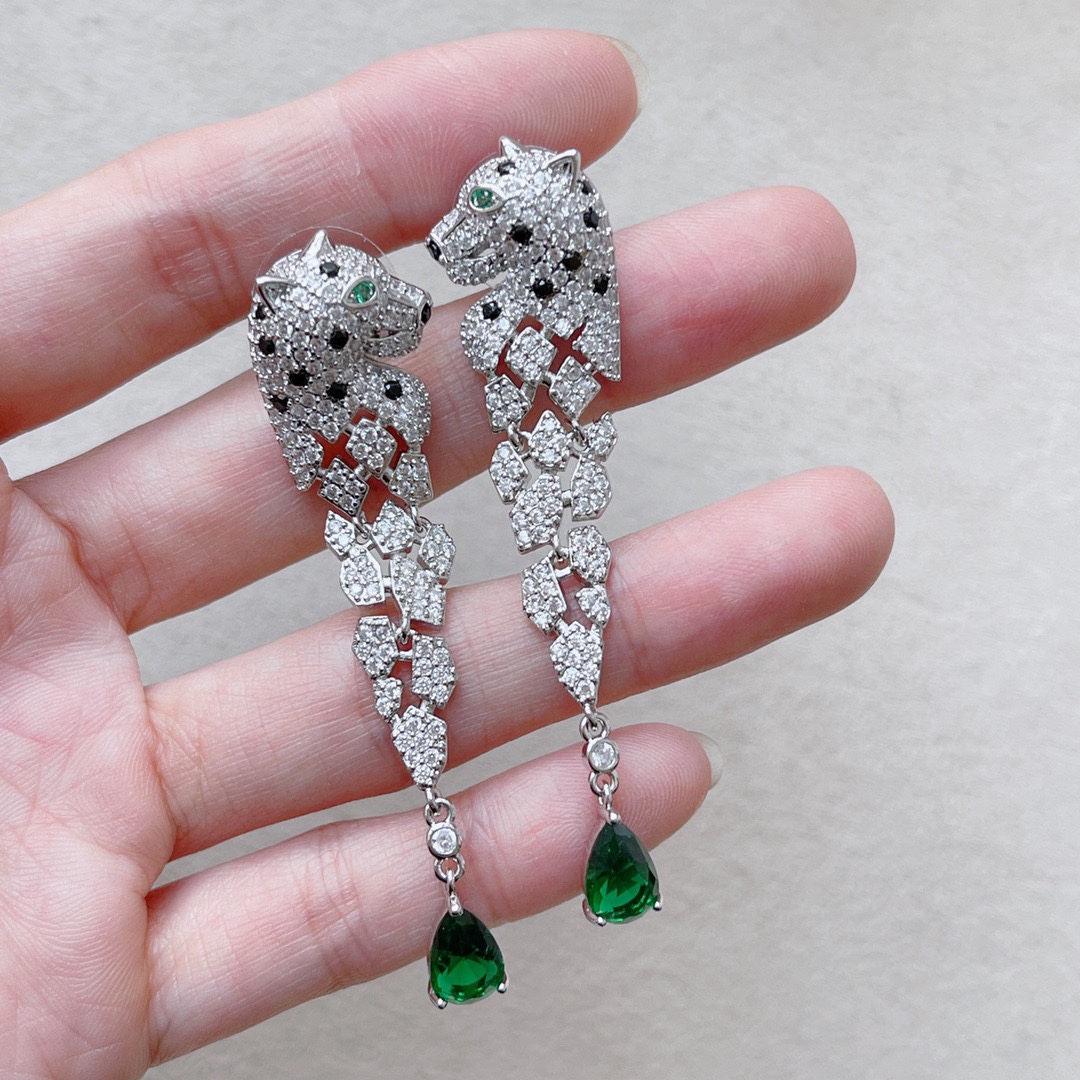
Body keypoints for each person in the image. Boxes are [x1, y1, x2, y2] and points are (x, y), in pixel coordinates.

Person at [0, 29, 893, 1079]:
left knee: (540, 598)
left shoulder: (467, 366)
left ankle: (543, 818)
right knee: (446, 635)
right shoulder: (390, 404)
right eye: (372, 295)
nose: (426, 278)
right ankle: (517, 837)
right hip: (402, 515)